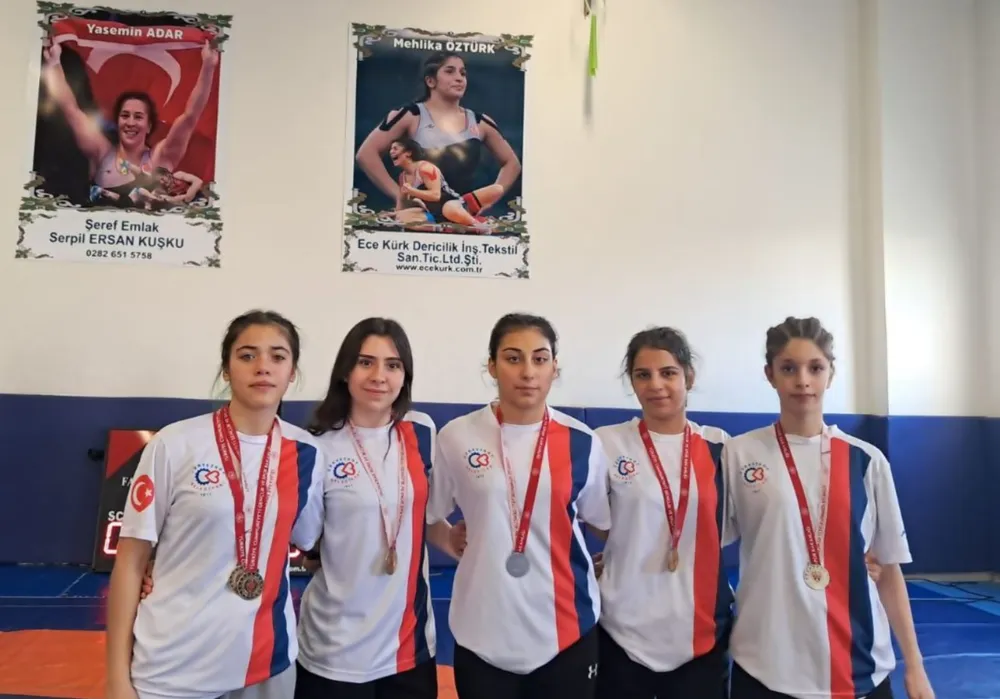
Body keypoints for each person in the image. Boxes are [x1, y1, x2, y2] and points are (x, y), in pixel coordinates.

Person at [107, 310, 325, 699]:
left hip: (266, 664)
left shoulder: (307, 452)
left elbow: (309, 541)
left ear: (292, 372)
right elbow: (130, 561)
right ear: (226, 369)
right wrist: (116, 679)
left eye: (277, 356)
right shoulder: (175, 443)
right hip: (172, 666)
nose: (263, 367)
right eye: (247, 355)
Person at [722, 317, 934, 699]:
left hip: (857, 666)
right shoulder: (738, 454)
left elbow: (888, 570)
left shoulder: (867, 460)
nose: (802, 380)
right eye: (789, 368)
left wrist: (915, 665)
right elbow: (702, 542)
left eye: (815, 368)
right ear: (770, 375)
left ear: (830, 374)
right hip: (765, 665)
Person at [426, 312, 612, 699]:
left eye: (539, 359)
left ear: (554, 368)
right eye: (513, 358)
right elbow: (429, 515)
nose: (527, 372)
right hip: (481, 631)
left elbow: (600, 521)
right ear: (492, 366)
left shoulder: (583, 442)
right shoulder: (457, 437)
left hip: (565, 629)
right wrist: (449, 540)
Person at [290, 317, 463, 699]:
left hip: (408, 646)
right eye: (365, 362)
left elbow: (423, 516)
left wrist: (452, 539)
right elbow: (308, 537)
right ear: (345, 371)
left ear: (405, 375)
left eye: (393, 365)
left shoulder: (421, 431)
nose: (379, 376)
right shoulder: (316, 445)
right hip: (333, 647)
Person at [591, 327, 734, 699]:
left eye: (668, 373)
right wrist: (623, 544)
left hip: (699, 630)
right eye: (643, 374)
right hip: (622, 627)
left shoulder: (720, 446)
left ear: (689, 376)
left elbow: (757, 518)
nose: (655, 385)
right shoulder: (606, 443)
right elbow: (585, 514)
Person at [355, 51, 521, 212]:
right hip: (420, 215)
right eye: (450, 71)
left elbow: (512, 164)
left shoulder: (480, 122)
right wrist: (399, 195)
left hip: (461, 215)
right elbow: (366, 154)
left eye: (463, 73)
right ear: (430, 81)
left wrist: (486, 202)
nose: (459, 78)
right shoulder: (410, 115)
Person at [389, 137, 500, 232]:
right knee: (401, 218)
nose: (391, 152)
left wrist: (412, 191)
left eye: (395, 148)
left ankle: (478, 226)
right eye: (391, 149)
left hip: (453, 205)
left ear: (408, 153)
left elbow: (436, 196)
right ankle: (450, 226)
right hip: (434, 214)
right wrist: (395, 214)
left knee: (497, 189)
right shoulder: (402, 177)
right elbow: (402, 200)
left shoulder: (425, 168)